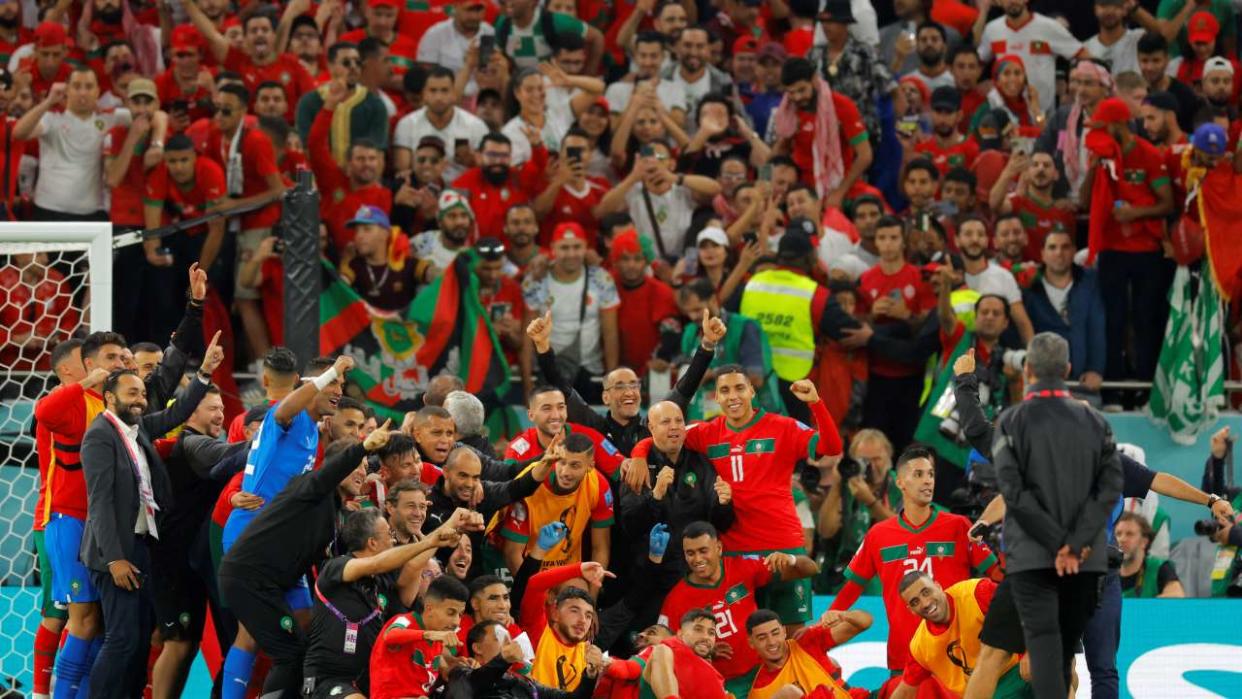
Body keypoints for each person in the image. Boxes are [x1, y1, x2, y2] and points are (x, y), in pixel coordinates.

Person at [630, 371, 844, 630]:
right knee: (744, 637)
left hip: (781, 545)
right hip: (734, 554)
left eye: (739, 388)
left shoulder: (782, 427)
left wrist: (815, 403)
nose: (733, 396)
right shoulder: (707, 432)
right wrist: (639, 456)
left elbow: (831, 447)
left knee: (792, 639)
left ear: (752, 391)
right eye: (726, 391)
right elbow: (659, 436)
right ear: (717, 397)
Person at [79, 341, 221, 698]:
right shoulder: (99, 436)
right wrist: (114, 558)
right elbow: (100, 503)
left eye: (142, 393)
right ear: (110, 398)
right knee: (123, 640)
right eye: (132, 393)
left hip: (143, 548)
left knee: (141, 640)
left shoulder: (136, 428)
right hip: (116, 555)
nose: (141, 399)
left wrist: (203, 373)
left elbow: (178, 413)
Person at [219, 423, 398, 699]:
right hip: (249, 579)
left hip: (270, 583)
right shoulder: (310, 488)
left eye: (365, 466)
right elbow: (328, 473)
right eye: (355, 464)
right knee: (289, 653)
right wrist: (363, 446)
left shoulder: (335, 512)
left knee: (299, 646)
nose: (362, 471)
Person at [990, 332, 1123, 699]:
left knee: (1045, 649)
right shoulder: (1097, 422)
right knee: (1064, 651)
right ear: (1067, 369)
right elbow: (1110, 490)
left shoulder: (1011, 421)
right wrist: (1076, 543)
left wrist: (1056, 543)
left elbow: (1014, 495)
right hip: (1087, 561)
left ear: (1028, 370)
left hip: (1033, 558)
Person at [219, 354, 354, 698]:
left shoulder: (312, 429)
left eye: (340, 383)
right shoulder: (287, 418)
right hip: (252, 531)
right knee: (250, 634)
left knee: (306, 624)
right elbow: (283, 410)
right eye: (332, 383)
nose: (338, 389)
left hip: (283, 538)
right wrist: (329, 373)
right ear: (308, 386)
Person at [829, 445, 998, 674]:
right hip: (905, 658)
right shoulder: (878, 535)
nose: (927, 481)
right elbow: (853, 586)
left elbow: (996, 574)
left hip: (958, 656)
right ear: (900, 482)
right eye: (918, 474)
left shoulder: (958, 527)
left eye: (930, 474)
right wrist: (827, 618)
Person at [301, 508, 474, 698]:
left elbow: (414, 564)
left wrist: (451, 524)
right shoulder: (337, 566)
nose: (394, 540)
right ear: (372, 542)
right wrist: (431, 541)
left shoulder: (383, 579)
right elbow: (375, 564)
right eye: (389, 534)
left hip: (371, 679)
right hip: (329, 679)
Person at [1079, 97, 1174, 398]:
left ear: (1118, 125)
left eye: (1103, 127)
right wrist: (1094, 169)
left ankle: (1146, 388)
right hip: (1112, 249)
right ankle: (1113, 390)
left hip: (1146, 251)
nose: (1099, 133)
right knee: (1113, 319)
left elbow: (1167, 203)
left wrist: (1134, 213)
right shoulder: (1101, 155)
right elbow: (1084, 201)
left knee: (1146, 319)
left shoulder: (1147, 154)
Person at [656, 521, 819, 696]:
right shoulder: (676, 599)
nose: (697, 559)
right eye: (690, 553)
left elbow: (811, 569)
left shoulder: (742, 567)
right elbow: (661, 650)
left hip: (764, 671)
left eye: (703, 551)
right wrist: (701, 650)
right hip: (722, 686)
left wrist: (792, 560)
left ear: (718, 548)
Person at [739, 224, 856, 424]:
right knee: (793, 447)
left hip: (751, 378)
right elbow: (850, 331)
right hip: (793, 382)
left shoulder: (753, 283)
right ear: (810, 258)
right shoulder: (815, 293)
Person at [521, 223, 620, 402]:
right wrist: (527, 382)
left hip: (589, 372)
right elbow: (527, 335)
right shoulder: (536, 281)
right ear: (552, 249)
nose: (571, 253)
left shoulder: (601, 280)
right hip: (547, 370)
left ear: (585, 248)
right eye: (564, 247)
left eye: (577, 247)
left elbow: (610, 334)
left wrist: (611, 382)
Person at [890, 574, 1030, 699]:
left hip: (1016, 672)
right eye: (915, 602)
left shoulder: (976, 593)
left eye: (926, 592)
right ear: (911, 610)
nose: (925, 603)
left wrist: (1030, 651)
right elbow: (905, 691)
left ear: (938, 586)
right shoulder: (920, 647)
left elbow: (1027, 604)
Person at [183, 2, 313, 123]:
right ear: (244, 39)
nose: (259, 34)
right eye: (253, 31)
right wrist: (186, 3)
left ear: (274, 36)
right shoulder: (237, 62)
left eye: (264, 30)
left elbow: (310, 104)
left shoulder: (293, 65)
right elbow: (211, 35)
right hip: (249, 136)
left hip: (287, 134)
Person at [770, 56, 872, 209]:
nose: (797, 97)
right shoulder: (788, 110)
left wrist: (839, 192)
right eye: (791, 93)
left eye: (802, 90)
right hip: (803, 189)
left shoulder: (842, 106)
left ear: (814, 80)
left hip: (839, 183)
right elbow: (779, 152)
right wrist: (765, 180)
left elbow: (865, 156)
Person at [502, 433, 614, 571]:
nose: (565, 472)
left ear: (590, 466)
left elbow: (600, 548)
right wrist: (534, 591)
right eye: (561, 462)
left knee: (577, 591)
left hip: (565, 570)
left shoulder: (598, 485)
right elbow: (512, 554)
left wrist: (591, 593)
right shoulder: (531, 483)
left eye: (575, 466)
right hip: (526, 567)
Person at [1021, 230, 1106, 395]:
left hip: (1085, 385)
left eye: (1065, 247)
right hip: (1041, 385)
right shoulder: (1029, 288)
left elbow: (1097, 328)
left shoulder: (1090, 282)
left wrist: (1096, 369)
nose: (1059, 253)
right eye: (1052, 247)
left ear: (1074, 251)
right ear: (1042, 254)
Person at [369, 576, 472, 698]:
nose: (456, 622)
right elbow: (390, 635)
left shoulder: (438, 638)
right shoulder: (404, 620)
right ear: (429, 608)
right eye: (451, 613)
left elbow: (445, 672)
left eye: (460, 615)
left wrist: (458, 666)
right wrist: (428, 635)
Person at [976, 0, 1085, 110]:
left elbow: (1084, 55)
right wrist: (979, 84)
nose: (1012, 1)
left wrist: (1073, 86)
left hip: (1043, 114)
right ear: (999, 2)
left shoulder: (1049, 27)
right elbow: (977, 62)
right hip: (1004, 114)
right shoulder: (992, 29)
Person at [745, 607, 872, 699]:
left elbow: (865, 622)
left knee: (892, 689)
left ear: (784, 631)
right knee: (789, 693)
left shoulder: (806, 642)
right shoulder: (759, 691)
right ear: (751, 643)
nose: (771, 642)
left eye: (775, 633)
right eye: (762, 638)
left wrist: (843, 615)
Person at [452, 130, 549, 247]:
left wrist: (537, 146)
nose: (498, 161)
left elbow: (539, 168)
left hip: (516, 253)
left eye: (504, 156)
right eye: (492, 155)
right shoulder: (463, 183)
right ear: (479, 156)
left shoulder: (517, 177)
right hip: (477, 255)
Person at [393, 66, 490, 183]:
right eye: (433, 90)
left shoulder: (476, 126)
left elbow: (486, 170)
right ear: (424, 94)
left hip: (463, 191)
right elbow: (403, 171)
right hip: (420, 190)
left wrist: (471, 161)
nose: (439, 97)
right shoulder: (407, 124)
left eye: (444, 90)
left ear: (454, 93)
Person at [1115, 512, 1185, 598]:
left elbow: (1177, 595)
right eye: (1118, 534)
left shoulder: (1159, 567)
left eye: (1129, 534)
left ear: (1144, 542)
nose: (1122, 539)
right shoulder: (1105, 572)